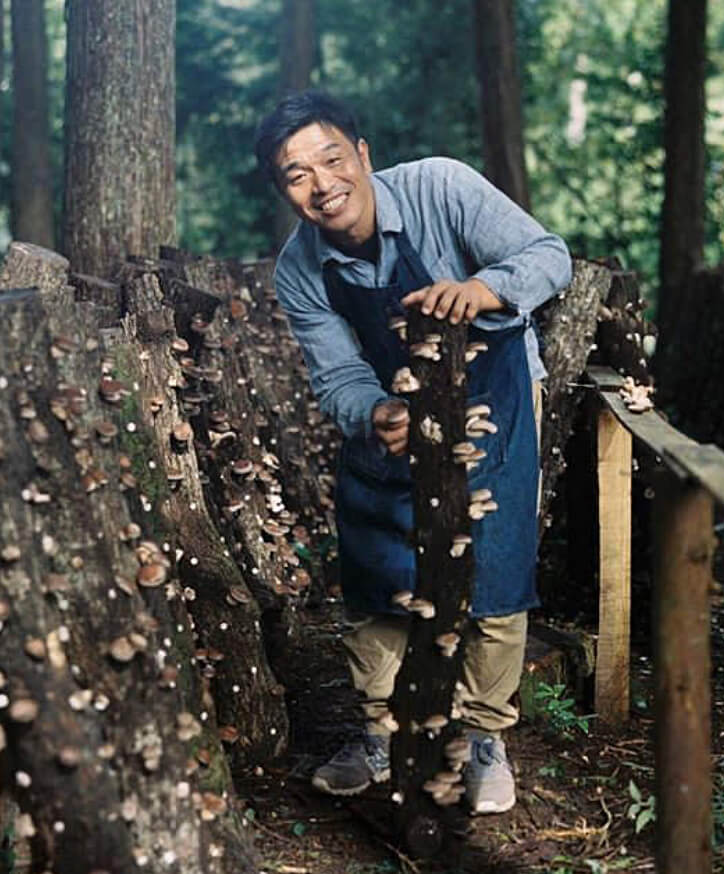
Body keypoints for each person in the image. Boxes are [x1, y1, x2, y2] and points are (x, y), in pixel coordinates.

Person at [254, 90, 572, 815]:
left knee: (491, 560)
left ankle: (485, 738)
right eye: (295, 174)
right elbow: (338, 374)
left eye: (331, 159)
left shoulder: (442, 187)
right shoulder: (299, 270)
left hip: (492, 396)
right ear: (284, 191)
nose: (321, 183)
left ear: (363, 155)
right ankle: (379, 732)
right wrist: (377, 413)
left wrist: (484, 289)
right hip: (394, 410)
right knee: (377, 566)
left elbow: (549, 256)